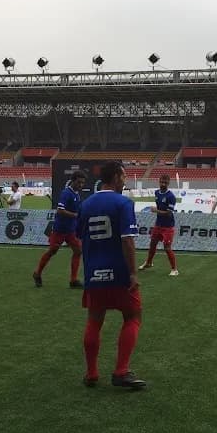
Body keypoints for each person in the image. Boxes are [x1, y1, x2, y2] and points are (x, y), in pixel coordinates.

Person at [76, 161, 145, 389]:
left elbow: (79, 237)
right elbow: (127, 239)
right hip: (119, 273)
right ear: (116, 177)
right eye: (124, 176)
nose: (125, 181)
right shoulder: (124, 203)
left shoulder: (86, 204)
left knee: (94, 321)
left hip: (94, 274)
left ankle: (92, 373)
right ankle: (121, 371)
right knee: (133, 316)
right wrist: (133, 273)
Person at [33, 171, 85, 288]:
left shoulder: (76, 194)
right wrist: (76, 215)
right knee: (53, 250)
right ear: (73, 181)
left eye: (82, 183)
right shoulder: (66, 193)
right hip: (60, 229)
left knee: (78, 251)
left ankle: (73, 280)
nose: (81, 185)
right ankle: (37, 273)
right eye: (79, 182)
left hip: (71, 230)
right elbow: (60, 210)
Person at [138, 173, 179, 276]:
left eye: (165, 182)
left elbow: (169, 213)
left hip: (168, 226)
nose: (163, 184)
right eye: (161, 182)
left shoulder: (171, 196)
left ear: (168, 183)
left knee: (167, 247)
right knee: (152, 244)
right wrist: (158, 212)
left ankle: (174, 269)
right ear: (159, 181)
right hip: (158, 225)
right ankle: (149, 262)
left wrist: (156, 211)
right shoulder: (157, 193)